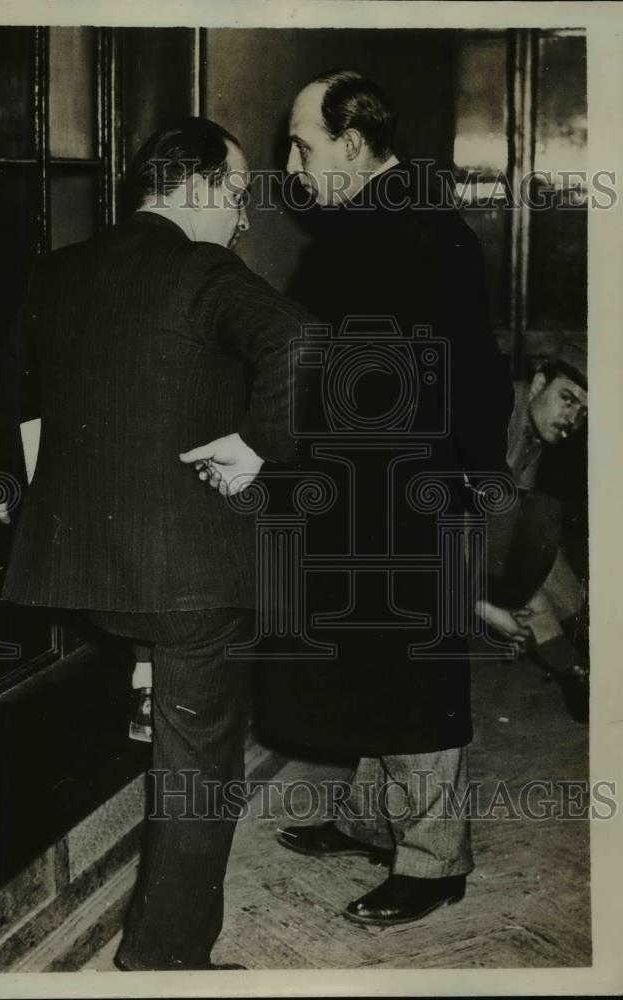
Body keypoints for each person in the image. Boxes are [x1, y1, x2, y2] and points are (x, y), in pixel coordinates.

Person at [0, 117, 312, 970]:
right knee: (201, 770)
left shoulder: (60, 270)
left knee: (162, 676)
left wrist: (5, 495)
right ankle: (164, 962)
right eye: (234, 197)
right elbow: (303, 340)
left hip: (81, 574)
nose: (239, 220)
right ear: (193, 186)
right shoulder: (203, 271)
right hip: (190, 581)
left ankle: (147, 681)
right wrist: (259, 445)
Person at [261, 70, 513, 927]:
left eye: (303, 144)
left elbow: (474, 367)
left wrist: (472, 488)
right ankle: (374, 820)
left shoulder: (417, 230)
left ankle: (435, 860)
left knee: (417, 678)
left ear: (355, 145)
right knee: (378, 660)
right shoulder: (369, 227)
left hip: (412, 491)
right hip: (370, 488)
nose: (291, 165)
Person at [475, 338, 589, 721]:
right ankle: (575, 671)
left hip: (469, 540)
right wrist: (484, 607)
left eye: (585, 411)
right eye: (568, 398)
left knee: (536, 531)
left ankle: (587, 649)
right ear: (539, 383)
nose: (573, 419)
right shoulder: (491, 415)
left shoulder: (536, 431)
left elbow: (512, 533)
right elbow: (425, 535)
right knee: (529, 541)